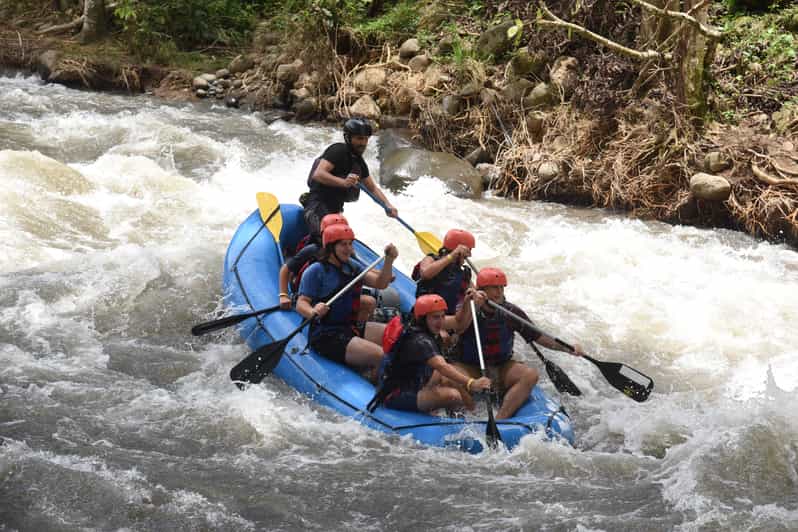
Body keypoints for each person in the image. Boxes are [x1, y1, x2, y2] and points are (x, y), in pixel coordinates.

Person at [456, 267, 584, 419]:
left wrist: (568, 348)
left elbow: (539, 337)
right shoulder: (468, 307)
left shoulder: (511, 312)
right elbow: (459, 327)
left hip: (500, 366)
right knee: (448, 376)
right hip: (470, 368)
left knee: (530, 375)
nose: (499, 292)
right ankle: (471, 414)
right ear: (482, 290)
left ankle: (500, 420)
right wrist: (471, 305)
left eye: (501, 287)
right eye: (494, 288)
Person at [296, 223, 398, 373]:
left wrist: (389, 260)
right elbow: (301, 303)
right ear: (331, 247)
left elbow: (380, 284)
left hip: (349, 326)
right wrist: (313, 311)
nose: (349, 249)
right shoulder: (316, 270)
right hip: (326, 334)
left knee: (397, 335)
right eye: (343, 244)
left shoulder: (351, 266)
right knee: (381, 356)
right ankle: (372, 379)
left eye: (350, 244)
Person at [367, 294, 491, 414]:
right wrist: (471, 383)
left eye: (443, 316)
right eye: (436, 317)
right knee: (453, 396)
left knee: (450, 378)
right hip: (395, 394)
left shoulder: (417, 321)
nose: (441, 322)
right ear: (423, 318)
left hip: (409, 379)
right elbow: (441, 366)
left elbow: (458, 322)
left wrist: (467, 303)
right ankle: (458, 420)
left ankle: (472, 413)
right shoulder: (420, 340)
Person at [301, 117, 398, 243]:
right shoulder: (337, 150)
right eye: (359, 138)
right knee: (326, 243)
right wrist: (343, 182)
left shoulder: (359, 163)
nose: (363, 143)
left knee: (343, 244)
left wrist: (387, 205)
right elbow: (319, 174)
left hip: (335, 211)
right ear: (348, 138)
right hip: (316, 206)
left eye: (366, 139)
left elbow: (373, 188)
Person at [278, 213, 375, 322]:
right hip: (311, 294)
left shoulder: (346, 252)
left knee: (370, 301)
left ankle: (360, 325)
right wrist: (283, 295)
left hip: (336, 293)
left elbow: (363, 269)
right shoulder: (313, 250)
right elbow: (286, 269)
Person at [412, 228, 476, 337]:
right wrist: (452, 256)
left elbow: (473, 291)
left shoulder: (464, 274)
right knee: (444, 335)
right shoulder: (431, 259)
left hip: (447, 317)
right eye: (468, 250)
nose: (469, 255)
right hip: (425, 313)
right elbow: (426, 274)